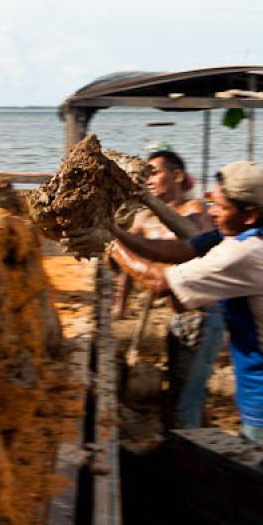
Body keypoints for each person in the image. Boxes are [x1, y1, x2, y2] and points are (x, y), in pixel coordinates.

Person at [66, 161, 263, 452]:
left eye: (220, 207)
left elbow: (158, 281)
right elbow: (182, 249)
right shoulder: (248, 232)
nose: (211, 211)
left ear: (249, 214)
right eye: (211, 201)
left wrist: (107, 244)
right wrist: (112, 230)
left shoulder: (249, 253)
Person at [111, 150, 225, 429]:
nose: (148, 180)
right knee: (181, 389)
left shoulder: (195, 211)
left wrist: (113, 244)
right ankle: (195, 437)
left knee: (185, 400)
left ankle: (195, 449)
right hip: (180, 316)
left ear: (176, 176)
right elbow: (128, 259)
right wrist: (119, 304)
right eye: (145, 174)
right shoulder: (143, 219)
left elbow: (191, 244)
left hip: (203, 316)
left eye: (154, 173)